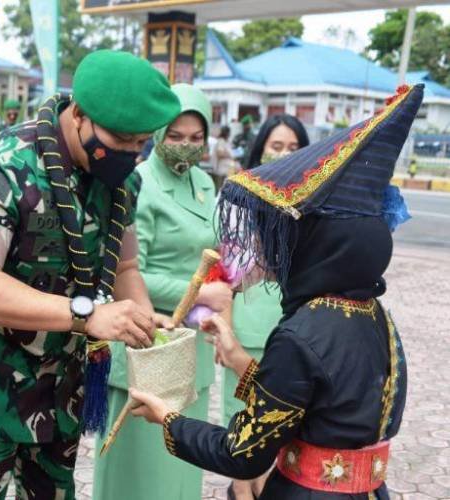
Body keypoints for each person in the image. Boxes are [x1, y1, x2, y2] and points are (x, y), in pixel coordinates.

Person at [128, 84, 423, 499]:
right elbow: (319, 406)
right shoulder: (374, 317)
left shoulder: (301, 335)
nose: (272, 250)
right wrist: (241, 363)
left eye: (283, 237)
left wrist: (169, 419)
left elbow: (241, 453)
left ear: (314, 243)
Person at [0, 49, 180, 499]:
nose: (131, 155)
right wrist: (86, 314)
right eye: (121, 140)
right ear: (79, 114)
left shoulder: (121, 183)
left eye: (142, 143)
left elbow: (125, 264)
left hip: (60, 395)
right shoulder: (2, 165)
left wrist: (139, 315)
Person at [93, 83, 232, 500]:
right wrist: (203, 293)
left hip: (191, 344)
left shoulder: (205, 183)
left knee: (180, 468)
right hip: (146, 338)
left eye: (195, 138)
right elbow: (128, 270)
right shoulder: (137, 183)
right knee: (139, 472)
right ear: (156, 134)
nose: (185, 147)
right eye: (175, 136)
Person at [222, 113, 311, 500]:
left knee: (280, 431)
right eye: (276, 146)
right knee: (243, 428)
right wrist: (225, 330)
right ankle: (240, 492)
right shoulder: (240, 200)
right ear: (259, 151)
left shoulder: (312, 204)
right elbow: (224, 275)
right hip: (246, 330)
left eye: (293, 148)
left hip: (294, 333)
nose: (285, 154)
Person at [211, 125, 236, 191]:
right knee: (220, 189)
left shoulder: (226, 142)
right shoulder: (221, 141)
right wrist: (229, 155)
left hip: (227, 170)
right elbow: (220, 154)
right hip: (221, 171)